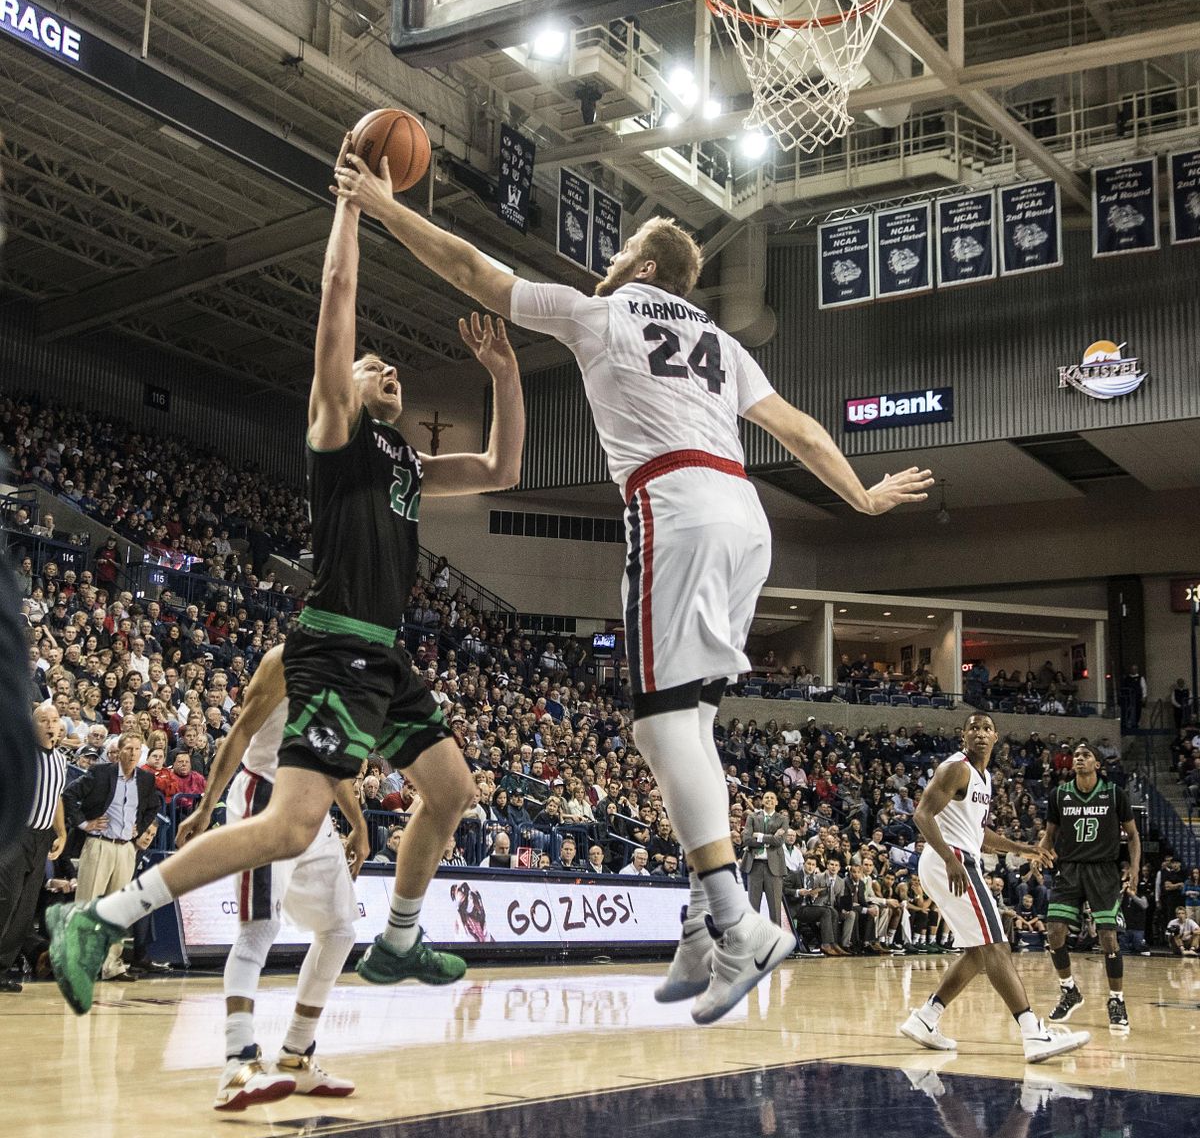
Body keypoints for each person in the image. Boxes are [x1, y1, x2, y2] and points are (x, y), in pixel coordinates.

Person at [332, 150, 932, 1025]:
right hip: (745, 517)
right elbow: (800, 429)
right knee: (692, 725)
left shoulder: (602, 313)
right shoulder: (723, 346)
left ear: (644, 269)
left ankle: (739, 923)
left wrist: (385, 207)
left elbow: (473, 269)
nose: (607, 263)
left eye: (621, 254)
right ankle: (700, 919)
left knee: (656, 724)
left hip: (674, 507)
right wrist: (864, 497)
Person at [46, 135, 526, 1017]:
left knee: (452, 792)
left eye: (392, 366)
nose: (385, 365)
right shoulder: (338, 435)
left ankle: (401, 939)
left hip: (385, 654)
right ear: (338, 389)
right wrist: (350, 202)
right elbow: (338, 294)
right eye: (370, 362)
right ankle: (103, 917)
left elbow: (500, 469)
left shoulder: (410, 464)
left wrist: (505, 374)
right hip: (335, 641)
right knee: (293, 823)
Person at [173, 644, 367, 1110]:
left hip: (314, 806)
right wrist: (206, 807)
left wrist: (358, 824)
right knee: (260, 928)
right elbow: (240, 733)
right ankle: (236, 1065)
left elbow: (330, 760)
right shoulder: (287, 657)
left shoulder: (358, 671)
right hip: (265, 795)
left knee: (340, 931)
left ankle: (297, 1055)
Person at [897, 714, 1090, 1063]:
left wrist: (1025, 848)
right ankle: (1033, 1034)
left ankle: (926, 1018)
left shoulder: (984, 780)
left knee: (977, 951)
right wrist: (951, 860)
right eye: (974, 728)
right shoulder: (955, 769)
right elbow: (922, 816)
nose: (981, 733)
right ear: (964, 736)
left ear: (996, 736)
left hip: (953, 859)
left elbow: (980, 835)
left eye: (987, 728)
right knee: (998, 946)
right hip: (950, 861)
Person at [1038, 741, 1140, 1036]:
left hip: (1103, 871)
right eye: (1077, 756)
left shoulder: (1113, 794)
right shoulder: (1060, 794)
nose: (1079, 759)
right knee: (1054, 932)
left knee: (1108, 938)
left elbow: (1132, 836)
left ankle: (1117, 1001)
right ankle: (1069, 990)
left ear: (1098, 764)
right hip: (1069, 869)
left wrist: (1133, 868)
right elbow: (1050, 834)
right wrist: (1039, 853)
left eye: (1086, 755)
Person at [60, 730, 162, 981]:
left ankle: (112, 966)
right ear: (118, 751)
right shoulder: (100, 773)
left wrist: (139, 826)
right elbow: (69, 795)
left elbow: (153, 806)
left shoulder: (146, 780)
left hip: (126, 848)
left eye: (137, 750)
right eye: (128, 749)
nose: (132, 754)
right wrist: (84, 824)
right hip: (99, 845)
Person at [0, 702, 67, 992]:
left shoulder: (61, 760)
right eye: (43, 720)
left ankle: (2, 970)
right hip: (17, 837)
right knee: (5, 903)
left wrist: (61, 832)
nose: (50, 724)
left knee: (24, 911)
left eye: (54, 719)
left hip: (41, 840)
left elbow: (56, 798)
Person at [740, 791, 787, 925]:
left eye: (772, 798)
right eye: (766, 797)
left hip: (774, 867)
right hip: (754, 865)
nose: (769, 800)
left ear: (777, 802)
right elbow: (747, 839)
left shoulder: (783, 819)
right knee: (753, 907)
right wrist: (771, 838)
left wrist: (760, 836)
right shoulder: (753, 817)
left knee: (775, 909)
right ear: (762, 801)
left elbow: (779, 842)